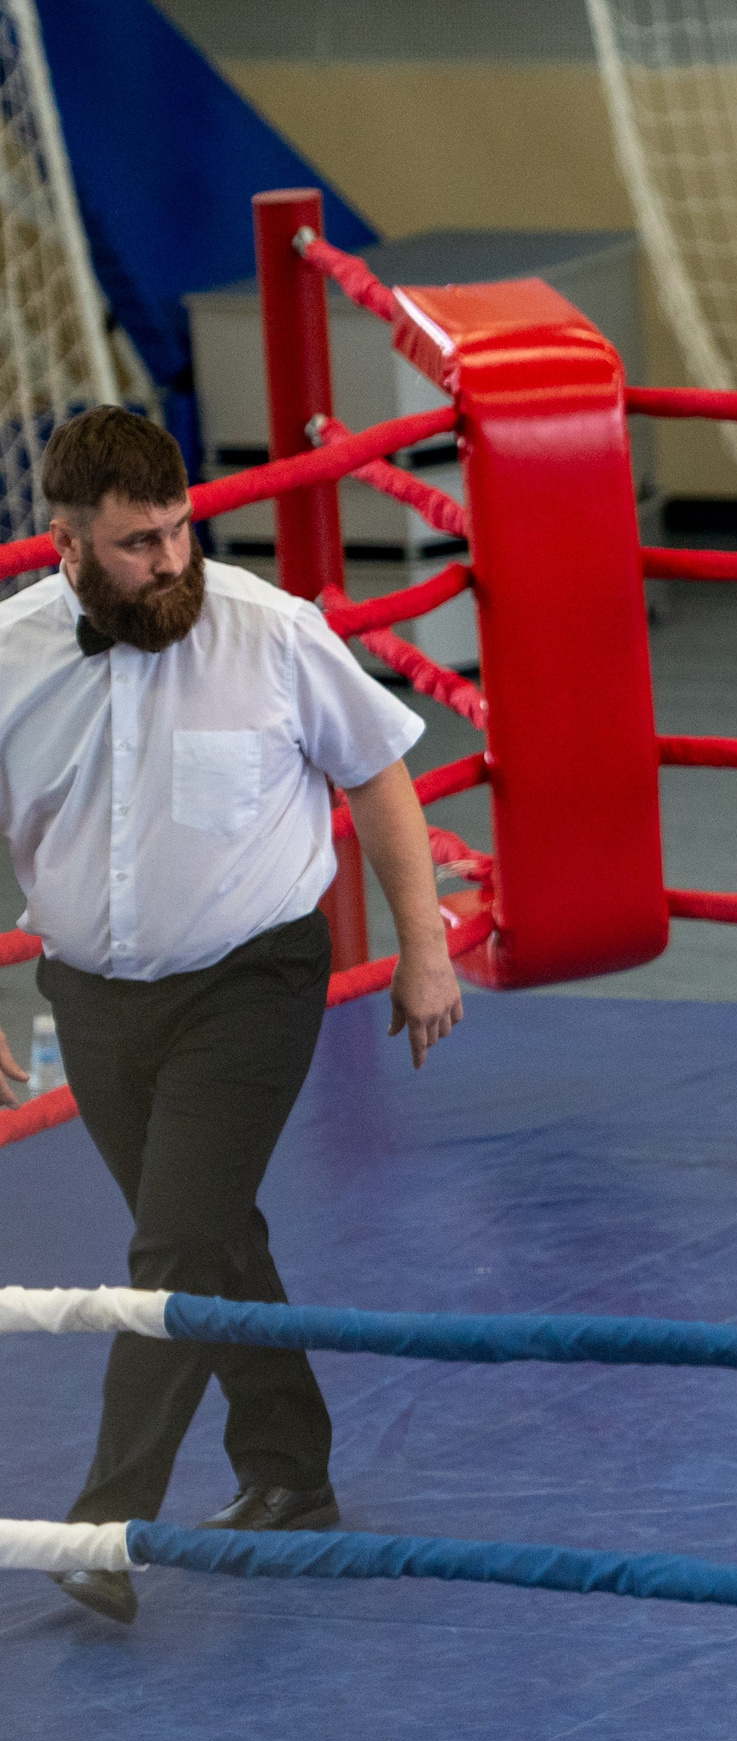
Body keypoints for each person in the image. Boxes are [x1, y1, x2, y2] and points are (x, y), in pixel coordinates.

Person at [0, 408, 463, 1626]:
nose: (169, 563)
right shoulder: (9, 654)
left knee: (171, 1249)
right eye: (137, 545)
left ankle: (103, 1523)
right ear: (66, 542)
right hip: (93, 1000)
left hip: (249, 982)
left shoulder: (270, 632)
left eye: (179, 532)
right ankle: (289, 1470)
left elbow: (375, 774)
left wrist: (426, 950)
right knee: (205, 1236)